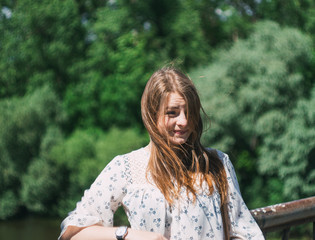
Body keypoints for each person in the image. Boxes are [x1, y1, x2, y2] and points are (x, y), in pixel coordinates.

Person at [59, 67, 264, 240]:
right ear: (152, 114)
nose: (183, 121)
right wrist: (130, 235)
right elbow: (74, 233)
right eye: (172, 112)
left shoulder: (217, 163)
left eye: (188, 112)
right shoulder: (126, 168)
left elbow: (245, 232)